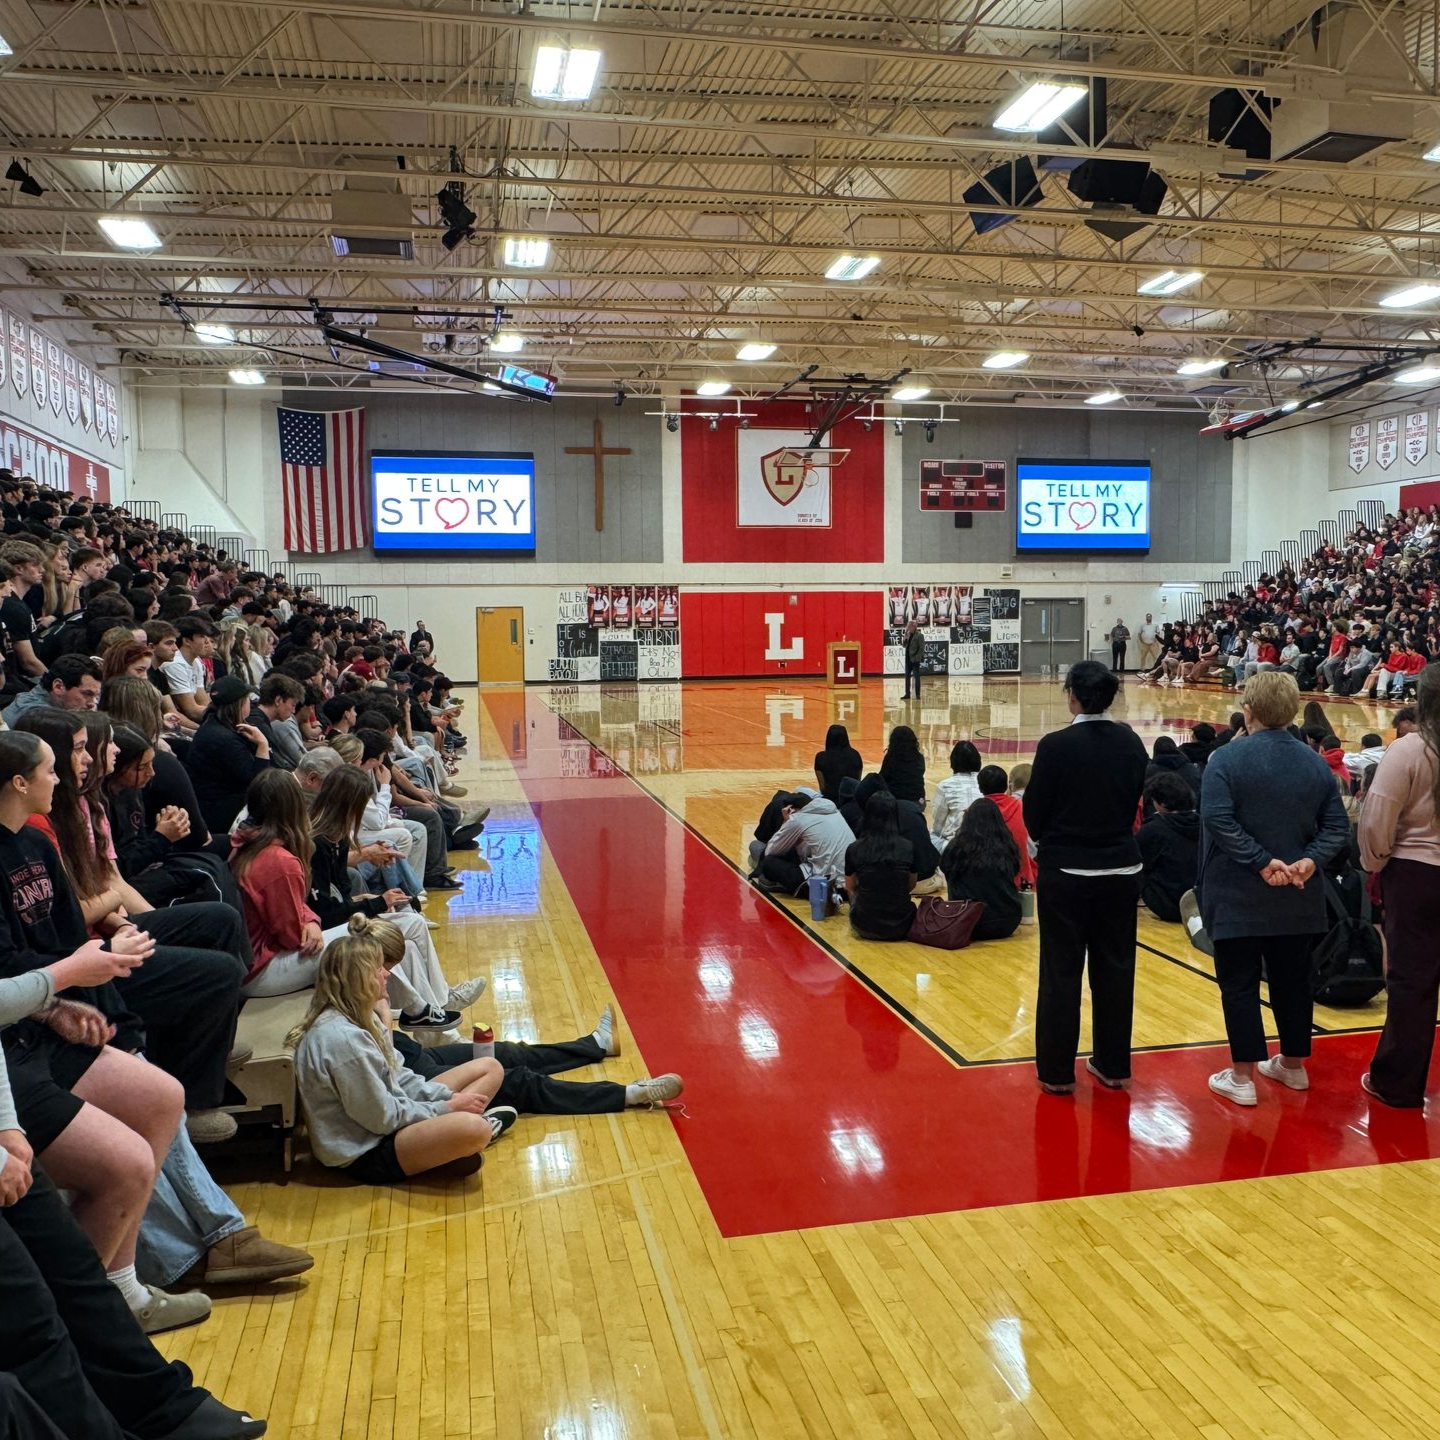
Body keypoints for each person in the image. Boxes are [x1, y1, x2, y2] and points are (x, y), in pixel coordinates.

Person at [1199, 671, 1351, 1107]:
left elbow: (1218, 820)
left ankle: (1242, 1076)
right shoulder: (1314, 762)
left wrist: (1261, 861)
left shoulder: (1225, 760)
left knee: (1240, 983)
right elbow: (1337, 826)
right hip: (1300, 892)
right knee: (1293, 980)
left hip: (1237, 892)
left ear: (1248, 710)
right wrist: (1310, 859)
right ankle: (1293, 1065)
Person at [290, 920, 517, 1183]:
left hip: (389, 1118)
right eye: (378, 969)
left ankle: (446, 1143)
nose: (386, 974)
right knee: (475, 1129)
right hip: (364, 1150)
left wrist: (444, 1100)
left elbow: (400, 1077)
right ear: (359, 979)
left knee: (490, 1066)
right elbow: (382, 1119)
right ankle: (469, 1134)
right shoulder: (342, 1041)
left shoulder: (361, 1015)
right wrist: (447, 1108)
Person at [1022, 661, 1148, 1094]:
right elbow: (1133, 801)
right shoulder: (1132, 742)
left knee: (1061, 971)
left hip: (1068, 873)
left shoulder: (1056, 745)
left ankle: (1057, 1073)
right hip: (1121, 870)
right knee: (1116, 969)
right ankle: (1113, 1066)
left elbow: (1034, 816)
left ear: (1072, 694)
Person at [1359, 664, 1440, 1108]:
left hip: (1416, 874)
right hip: (1419, 871)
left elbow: (1378, 817)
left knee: (1413, 983)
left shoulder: (1410, 749)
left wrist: (1375, 863)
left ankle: (1398, 1083)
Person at [185, 674, 271, 833]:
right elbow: (257, 781)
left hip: (215, 805)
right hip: (220, 813)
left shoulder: (213, 723)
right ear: (240, 704)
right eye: (248, 700)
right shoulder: (223, 738)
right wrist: (262, 745)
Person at [939, 797, 1022, 941]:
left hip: (966, 921)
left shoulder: (956, 847)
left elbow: (945, 869)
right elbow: (1014, 872)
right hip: (1008, 921)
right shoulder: (1007, 846)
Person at [843, 791, 916, 941]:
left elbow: (849, 887)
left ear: (867, 815)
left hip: (864, 924)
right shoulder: (908, 847)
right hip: (902, 925)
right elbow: (911, 884)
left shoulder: (855, 848)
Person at [753, 790, 853, 897]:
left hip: (824, 888)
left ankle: (789, 887)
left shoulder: (798, 819)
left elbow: (770, 851)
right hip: (850, 885)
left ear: (790, 810)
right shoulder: (835, 811)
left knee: (766, 860)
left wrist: (787, 822)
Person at [1137, 772, 1201, 922]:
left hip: (1168, 905)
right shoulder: (1205, 825)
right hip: (1203, 903)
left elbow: (1136, 861)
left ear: (1162, 803)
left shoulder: (1152, 829)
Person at [1, 653, 102, 726]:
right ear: (58, 687)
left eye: (97, 696)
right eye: (87, 693)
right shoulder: (40, 720)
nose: (93, 703)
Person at [976, 764, 1034, 887]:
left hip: (988, 879)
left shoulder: (975, 810)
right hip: (1023, 878)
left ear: (980, 789)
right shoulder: (1021, 806)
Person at [930, 740, 982, 847]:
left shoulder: (945, 785)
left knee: (931, 837)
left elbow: (937, 825)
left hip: (957, 845)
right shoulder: (986, 781)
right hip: (985, 841)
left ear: (953, 761)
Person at [813, 723, 862, 802]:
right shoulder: (855, 754)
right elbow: (857, 782)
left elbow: (822, 788)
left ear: (828, 738)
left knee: (801, 789)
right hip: (851, 799)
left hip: (831, 801)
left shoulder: (820, 757)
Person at [879, 724, 925, 805]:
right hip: (919, 801)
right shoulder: (919, 757)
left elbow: (882, 778)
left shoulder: (891, 757)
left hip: (897, 801)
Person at [902, 620, 923, 700]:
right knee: (907, 677)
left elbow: (921, 648)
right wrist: (905, 638)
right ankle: (907, 694)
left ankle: (917, 694)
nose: (908, 628)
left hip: (915, 660)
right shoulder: (908, 635)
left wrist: (917, 658)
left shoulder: (919, 635)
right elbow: (904, 645)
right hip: (908, 659)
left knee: (916, 676)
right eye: (907, 627)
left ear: (914, 627)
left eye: (909, 627)